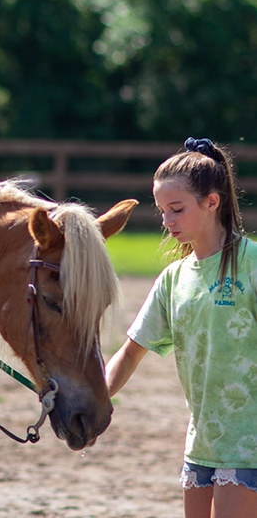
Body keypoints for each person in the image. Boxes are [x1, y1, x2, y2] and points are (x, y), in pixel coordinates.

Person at [106, 137, 257, 518]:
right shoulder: (174, 278)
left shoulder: (252, 264)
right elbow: (129, 352)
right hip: (200, 447)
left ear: (212, 202)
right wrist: (95, 399)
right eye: (161, 211)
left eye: (176, 209)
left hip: (249, 446)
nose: (165, 221)